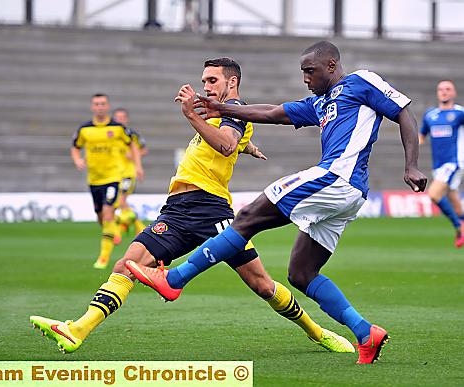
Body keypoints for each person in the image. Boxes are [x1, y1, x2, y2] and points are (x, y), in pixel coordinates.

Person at [126, 41, 428, 365]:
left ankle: (174, 280)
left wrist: (411, 163)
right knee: (302, 273)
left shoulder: (360, 82)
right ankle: (365, 332)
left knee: (247, 218)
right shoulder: (321, 104)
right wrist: (225, 110)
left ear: (331, 65)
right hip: (348, 193)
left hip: (337, 176)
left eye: (310, 71)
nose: (305, 78)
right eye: (302, 72)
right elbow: (274, 113)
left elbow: (403, 113)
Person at [30, 57, 355, 355]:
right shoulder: (220, 114)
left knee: (261, 284)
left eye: (213, 81)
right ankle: (77, 329)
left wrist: (192, 117)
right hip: (177, 209)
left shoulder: (233, 109)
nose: (206, 87)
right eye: (204, 81)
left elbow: (226, 143)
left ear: (232, 82)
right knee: (127, 264)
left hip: (211, 209)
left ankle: (317, 332)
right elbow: (232, 140)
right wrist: (249, 146)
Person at [70, 94, 144, 269]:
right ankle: (121, 226)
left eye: (103, 103)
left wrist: (138, 165)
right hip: (94, 179)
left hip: (114, 177)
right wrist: (77, 160)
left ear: (108, 106)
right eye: (96, 104)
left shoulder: (118, 128)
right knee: (101, 217)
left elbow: (133, 145)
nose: (100, 107)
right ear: (92, 107)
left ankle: (103, 258)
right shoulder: (84, 129)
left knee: (109, 211)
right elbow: (75, 146)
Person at [419, 80, 464, 248]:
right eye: (441, 89)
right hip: (438, 166)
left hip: (454, 162)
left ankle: (458, 226)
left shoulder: (460, 113)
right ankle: (461, 225)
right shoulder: (431, 115)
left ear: (454, 93)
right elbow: (422, 136)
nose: (444, 92)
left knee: (434, 194)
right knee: (454, 200)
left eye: (448, 89)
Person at [112, 107, 148, 242]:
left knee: (120, 201)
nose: (120, 120)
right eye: (117, 118)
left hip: (127, 172)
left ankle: (118, 232)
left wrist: (133, 156)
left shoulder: (132, 135)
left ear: (126, 119)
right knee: (117, 203)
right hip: (113, 173)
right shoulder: (111, 133)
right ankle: (135, 226)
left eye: (122, 118)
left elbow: (143, 150)